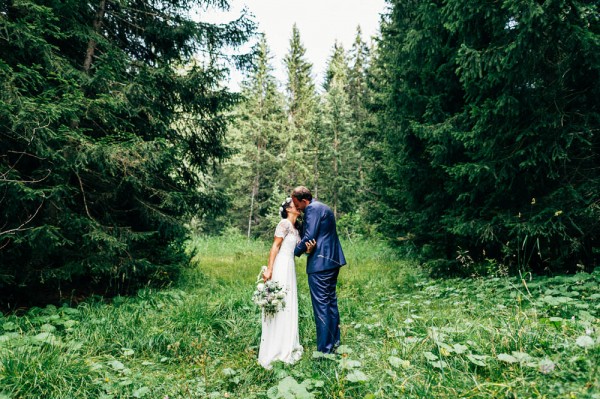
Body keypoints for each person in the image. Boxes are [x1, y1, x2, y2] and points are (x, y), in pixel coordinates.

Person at [292, 186, 346, 354]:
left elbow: (309, 236)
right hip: (331, 261)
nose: (298, 208)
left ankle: (324, 350)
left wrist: (292, 252)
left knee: (322, 306)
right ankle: (334, 343)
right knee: (330, 303)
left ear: (304, 201)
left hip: (320, 264)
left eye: (297, 204)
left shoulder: (312, 208)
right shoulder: (322, 207)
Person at [257, 198, 309, 369]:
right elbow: (275, 247)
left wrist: (310, 248)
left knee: (289, 303)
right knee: (280, 302)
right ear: (288, 209)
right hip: (280, 265)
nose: (298, 207)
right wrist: (269, 269)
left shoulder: (296, 228)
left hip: (290, 267)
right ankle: (275, 347)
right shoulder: (284, 224)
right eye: (294, 205)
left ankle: (288, 343)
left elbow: (301, 249)